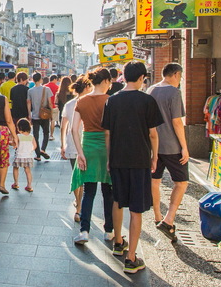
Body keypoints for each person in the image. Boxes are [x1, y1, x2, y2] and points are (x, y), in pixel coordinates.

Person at [103, 62, 163, 274]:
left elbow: (108, 133)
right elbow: (153, 133)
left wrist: (110, 158)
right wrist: (155, 156)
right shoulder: (147, 100)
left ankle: (118, 242)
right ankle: (131, 258)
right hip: (139, 160)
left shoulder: (112, 100)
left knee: (118, 200)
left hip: (118, 158)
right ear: (142, 78)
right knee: (137, 209)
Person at [148, 63, 190, 240]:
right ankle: (169, 219)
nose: (179, 80)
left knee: (154, 181)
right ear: (175, 74)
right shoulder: (174, 92)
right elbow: (177, 122)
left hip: (153, 146)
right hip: (172, 146)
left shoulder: (150, 90)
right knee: (181, 182)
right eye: (180, 77)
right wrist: (185, 147)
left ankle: (157, 216)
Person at [72, 69, 114, 245]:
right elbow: (111, 130)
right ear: (105, 81)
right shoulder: (110, 101)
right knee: (108, 192)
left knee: (89, 191)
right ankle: (109, 231)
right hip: (107, 148)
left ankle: (84, 231)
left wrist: (80, 153)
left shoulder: (81, 101)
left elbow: (74, 129)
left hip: (87, 146)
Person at [60, 75, 92, 219]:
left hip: (72, 144)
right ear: (86, 88)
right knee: (84, 177)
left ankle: (78, 204)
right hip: (86, 143)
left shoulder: (69, 104)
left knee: (76, 176)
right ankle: (79, 207)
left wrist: (62, 145)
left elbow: (63, 127)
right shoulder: (89, 103)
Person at [27, 73, 53, 161]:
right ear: (41, 79)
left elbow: (29, 103)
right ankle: (43, 149)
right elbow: (50, 103)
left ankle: (38, 154)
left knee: (36, 135)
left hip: (35, 116)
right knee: (46, 133)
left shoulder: (30, 91)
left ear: (33, 80)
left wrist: (29, 114)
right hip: (45, 115)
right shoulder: (47, 89)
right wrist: (52, 113)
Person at [12, 118, 36, 191]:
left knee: (16, 168)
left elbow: (15, 145)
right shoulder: (31, 136)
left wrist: (11, 143)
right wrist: (30, 150)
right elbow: (35, 146)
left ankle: (16, 183)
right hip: (28, 156)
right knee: (28, 170)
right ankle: (29, 185)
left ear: (19, 127)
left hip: (19, 156)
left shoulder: (18, 136)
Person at [9, 72, 30, 138]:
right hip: (24, 112)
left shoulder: (12, 89)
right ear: (22, 79)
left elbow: (12, 101)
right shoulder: (27, 89)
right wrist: (29, 113)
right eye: (26, 79)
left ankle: (17, 143)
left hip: (15, 113)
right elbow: (28, 102)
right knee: (25, 130)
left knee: (17, 130)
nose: (26, 81)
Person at [46, 74, 61, 139]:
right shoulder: (57, 87)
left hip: (46, 106)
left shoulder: (45, 86)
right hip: (54, 106)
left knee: (46, 121)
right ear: (54, 79)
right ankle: (51, 135)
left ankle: (46, 134)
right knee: (53, 121)